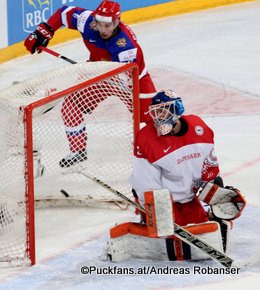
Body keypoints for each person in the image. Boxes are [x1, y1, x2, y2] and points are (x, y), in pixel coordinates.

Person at [102, 90, 246, 262]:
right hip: (163, 199)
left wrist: (217, 193)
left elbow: (209, 167)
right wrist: (155, 211)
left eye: (164, 110)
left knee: (208, 232)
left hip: (190, 198)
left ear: (177, 109)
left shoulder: (199, 128)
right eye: (156, 111)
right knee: (168, 239)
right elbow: (144, 181)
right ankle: (139, 230)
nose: (158, 116)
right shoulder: (147, 138)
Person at [24, 0, 156, 168]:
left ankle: (151, 157)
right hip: (98, 72)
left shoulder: (126, 46)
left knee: (150, 119)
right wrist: (45, 31)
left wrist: (102, 75)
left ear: (117, 22)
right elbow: (65, 13)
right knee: (72, 105)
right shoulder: (87, 20)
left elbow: (126, 76)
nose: (103, 29)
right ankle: (78, 151)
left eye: (108, 25)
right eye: (100, 24)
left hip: (133, 81)